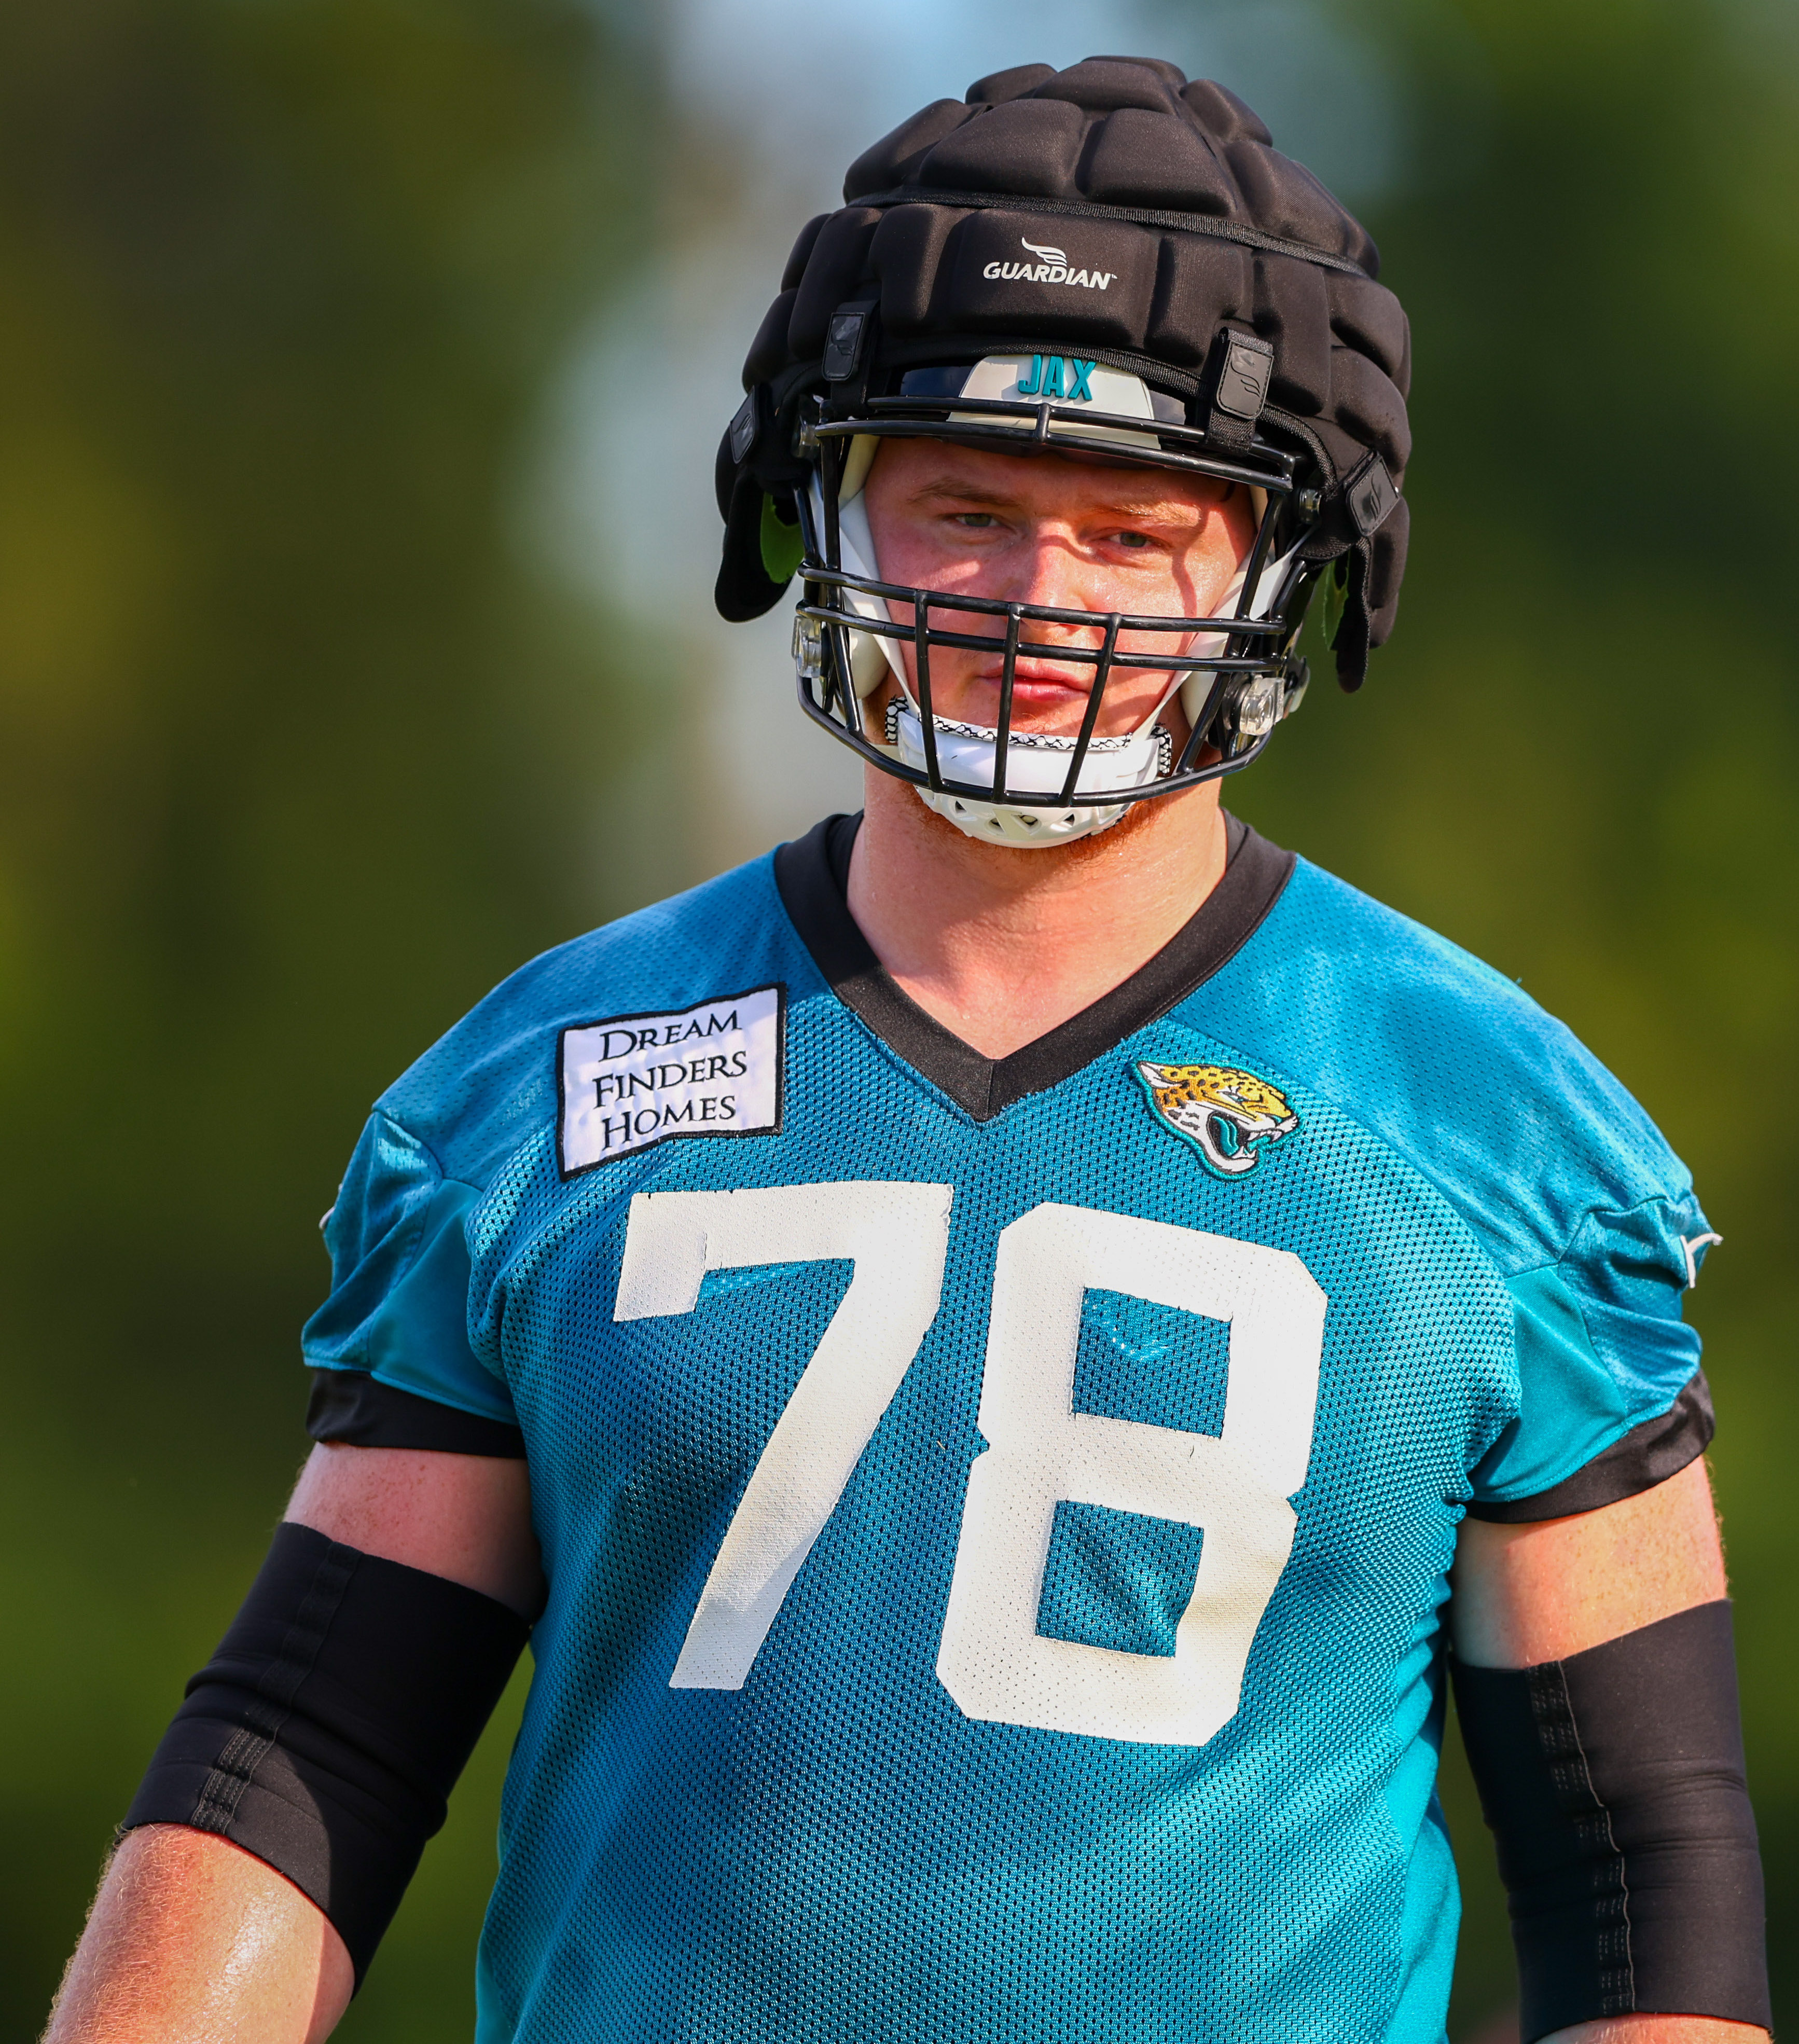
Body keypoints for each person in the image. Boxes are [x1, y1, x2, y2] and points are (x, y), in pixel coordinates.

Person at [46, 56, 1769, 2044]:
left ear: (1288, 565)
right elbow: (309, 1753)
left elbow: (1641, 1883)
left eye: (1133, 529)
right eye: (966, 509)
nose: (1041, 598)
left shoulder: (1493, 1139)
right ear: (818, 509)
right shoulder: (542, 1092)